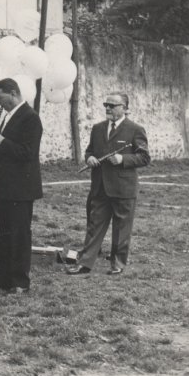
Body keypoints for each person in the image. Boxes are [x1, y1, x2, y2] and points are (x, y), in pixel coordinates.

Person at [67, 92, 150, 276]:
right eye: (106, 104)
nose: (108, 108)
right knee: (94, 225)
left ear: (125, 108)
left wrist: (123, 158)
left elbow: (145, 157)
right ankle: (85, 263)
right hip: (100, 186)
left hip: (123, 188)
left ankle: (118, 263)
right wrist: (89, 159)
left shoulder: (135, 129)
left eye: (113, 105)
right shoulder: (97, 128)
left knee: (122, 228)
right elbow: (89, 151)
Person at [0, 78, 42, 293]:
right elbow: (6, 152)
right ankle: (3, 279)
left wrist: (1, 141)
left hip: (21, 188)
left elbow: (27, 153)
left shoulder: (30, 118)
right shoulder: (10, 117)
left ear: (13, 93)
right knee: (3, 233)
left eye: (0, 97)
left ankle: (19, 282)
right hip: (5, 186)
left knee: (19, 234)